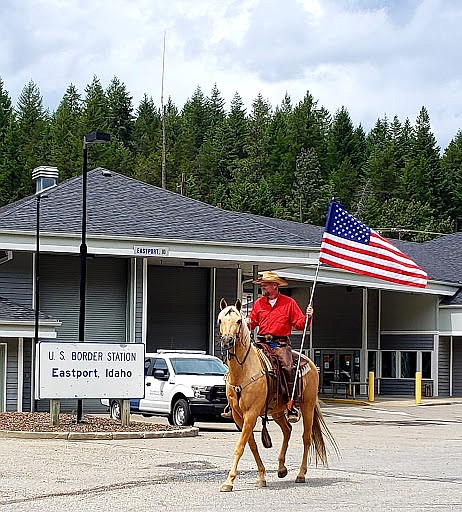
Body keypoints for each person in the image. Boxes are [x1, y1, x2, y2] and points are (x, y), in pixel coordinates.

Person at [221, 271, 313, 423]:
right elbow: (252, 323)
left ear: (275, 286)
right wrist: (243, 322)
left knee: (288, 367)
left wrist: (308, 317)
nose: (262, 286)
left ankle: (291, 404)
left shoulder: (289, 303)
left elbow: (299, 324)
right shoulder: (259, 303)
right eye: (262, 284)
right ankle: (233, 403)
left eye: (266, 284)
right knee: (239, 363)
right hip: (261, 343)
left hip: (280, 344)